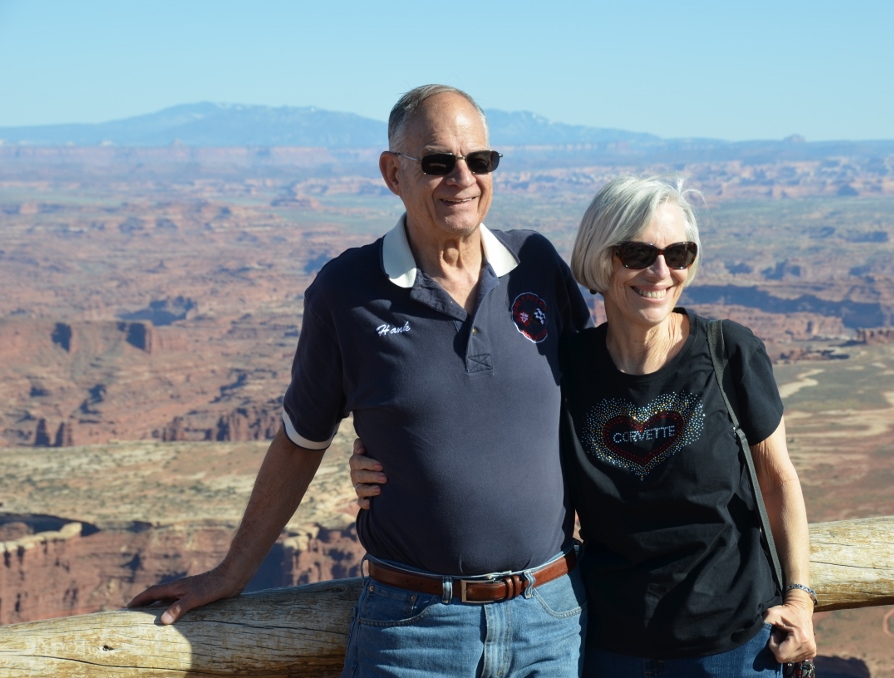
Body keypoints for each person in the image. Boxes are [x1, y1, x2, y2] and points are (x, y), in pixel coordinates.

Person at [129, 84, 591, 678]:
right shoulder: (347, 292)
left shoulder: (537, 266)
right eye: (438, 162)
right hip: (414, 631)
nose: (463, 178)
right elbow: (300, 441)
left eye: (480, 160)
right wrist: (233, 571)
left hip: (550, 619)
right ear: (393, 172)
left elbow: (598, 400)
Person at [354, 175, 816, 676]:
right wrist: (388, 463)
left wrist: (800, 598)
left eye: (679, 254)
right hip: (608, 648)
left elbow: (778, 479)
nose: (661, 271)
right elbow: (485, 430)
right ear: (601, 258)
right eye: (637, 254)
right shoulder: (567, 366)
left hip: (733, 646)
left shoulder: (728, 353)